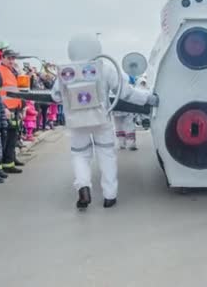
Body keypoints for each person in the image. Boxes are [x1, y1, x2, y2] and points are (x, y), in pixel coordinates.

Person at [51, 34, 159, 210]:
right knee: (106, 156)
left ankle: (83, 186)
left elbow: (55, 96)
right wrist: (148, 99)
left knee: (80, 155)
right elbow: (126, 93)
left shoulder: (65, 71)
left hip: (77, 121)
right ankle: (110, 196)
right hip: (102, 119)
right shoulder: (106, 68)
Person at [0, 49, 24, 174]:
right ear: (2, 58)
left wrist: (21, 108)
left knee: (13, 137)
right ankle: (1, 166)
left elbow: (17, 92)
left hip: (14, 109)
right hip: (5, 110)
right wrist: (3, 108)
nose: (12, 61)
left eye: (13, 58)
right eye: (9, 58)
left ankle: (10, 161)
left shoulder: (12, 72)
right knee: (5, 138)